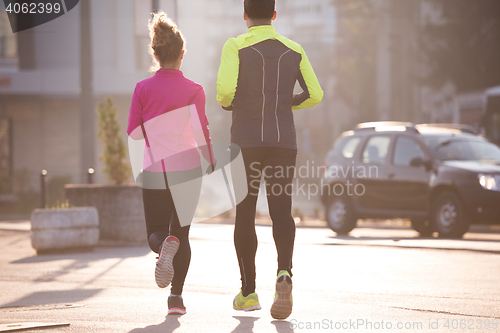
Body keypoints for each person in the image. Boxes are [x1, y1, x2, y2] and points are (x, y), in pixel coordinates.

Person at [216, 0, 323, 320]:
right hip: (282, 143)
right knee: (281, 211)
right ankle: (284, 274)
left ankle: (248, 292)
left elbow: (223, 93)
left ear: (245, 14)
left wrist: (243, 103)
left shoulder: (235, 45)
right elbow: (315, 94)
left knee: (245, 213)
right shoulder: (294, 49)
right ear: (274, 15)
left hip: (246, 142)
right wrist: (285, 104)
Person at [127, 11, 215, 315]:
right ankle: (176, 298)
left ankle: (164, 244)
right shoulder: (195, 90)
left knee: (157, 231)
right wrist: (211, 158)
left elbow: (134, 133)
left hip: (155, 169)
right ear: (181, 54)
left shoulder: (142, 89)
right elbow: (200, 131)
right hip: (188, 168)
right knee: (183, 233)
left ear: (155, 52)